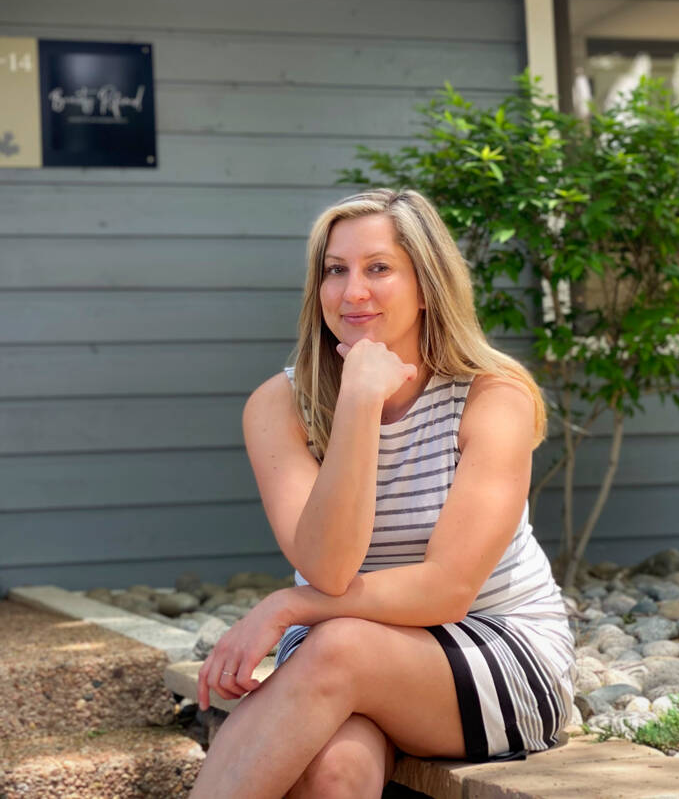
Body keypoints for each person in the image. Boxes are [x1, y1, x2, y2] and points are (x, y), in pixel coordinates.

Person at [189, 188, 575, 799]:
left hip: (495, 648)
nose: (353, 291)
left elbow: (447, 589)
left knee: (337, 647)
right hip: (344, 653)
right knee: (334, 772)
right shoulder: (278, 406)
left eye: (378, 268)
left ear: (426, 286)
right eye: (335, 271)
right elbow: (327, 566)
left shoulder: (493, 396)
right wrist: (359, 403)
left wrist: (287, 607)